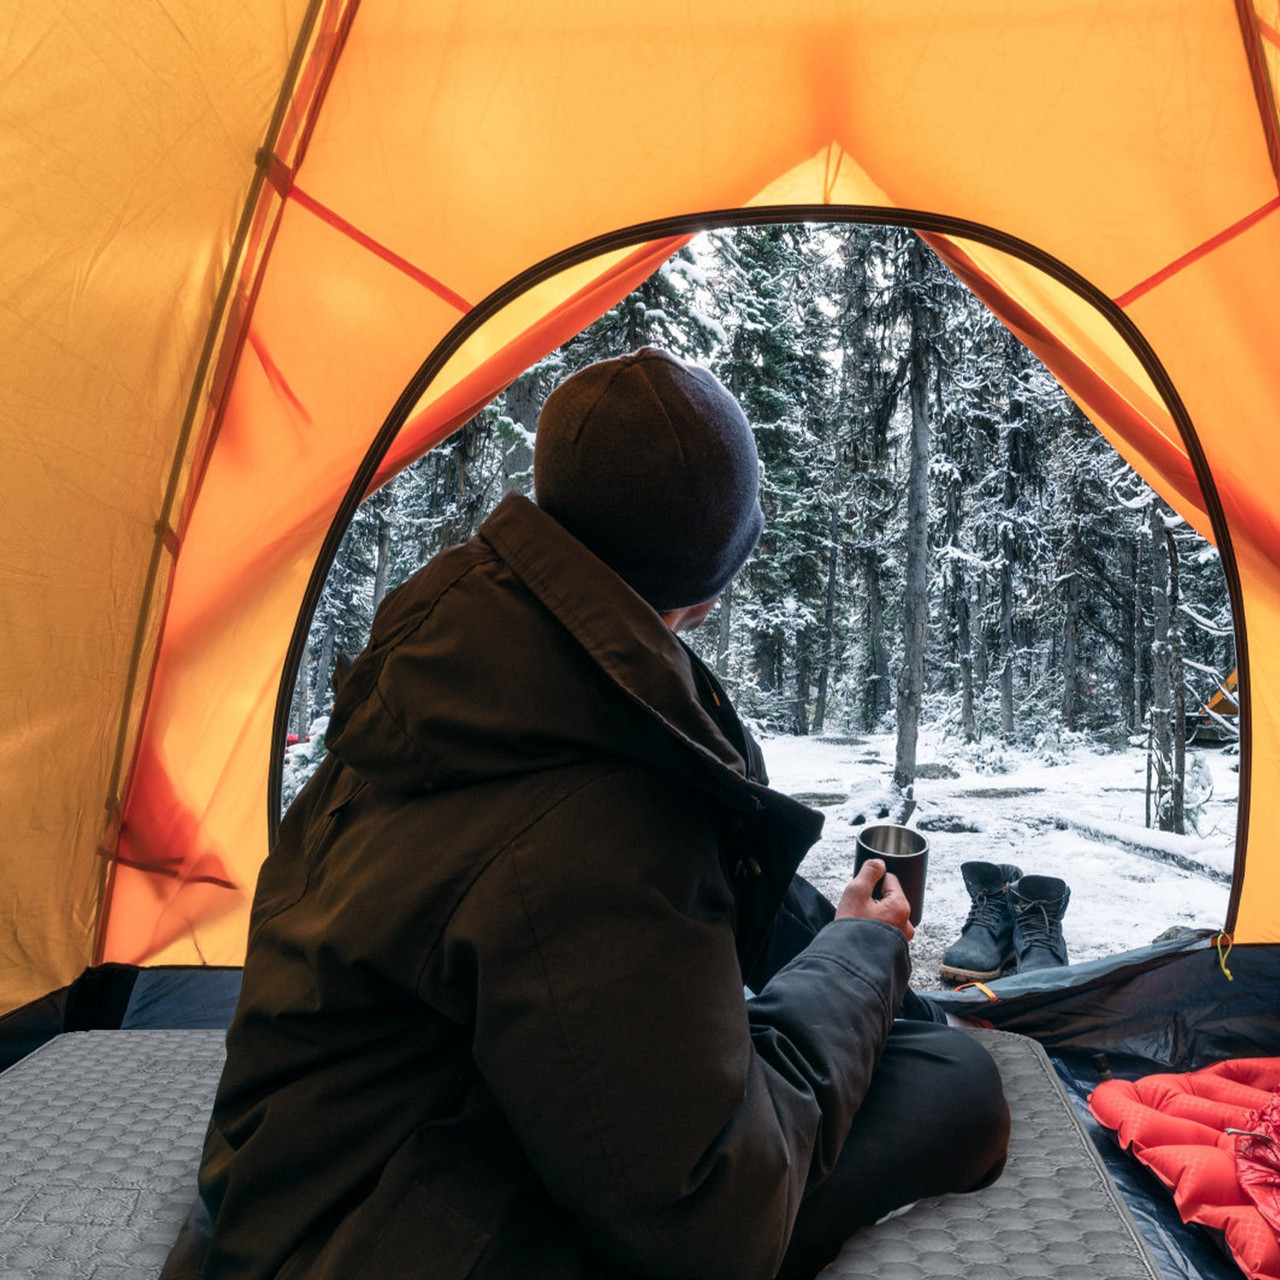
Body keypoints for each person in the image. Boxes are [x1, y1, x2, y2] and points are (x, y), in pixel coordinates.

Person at [162, 347, 1009, 1280]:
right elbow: (716, 1221)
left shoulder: (449, 670)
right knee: (954, 1085)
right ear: (711, 583)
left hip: (283, 1188)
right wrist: (864, 957)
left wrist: (831, 948)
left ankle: (852, 968)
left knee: (847, 1007)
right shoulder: (606, 807)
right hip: (364, 1245)